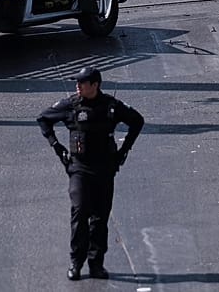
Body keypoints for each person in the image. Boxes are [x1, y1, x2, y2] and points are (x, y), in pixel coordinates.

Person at [37, 67, 144, 281]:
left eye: (82, 82)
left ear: (95, 85)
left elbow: (137, 121)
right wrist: (57, 146)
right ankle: (76, 263)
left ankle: (96, 263)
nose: (78, 85)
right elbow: (43, 119)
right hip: (79, 168)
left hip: (104, 168)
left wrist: (123, 152)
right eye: (77, 82)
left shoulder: (110, 106)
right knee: (79, 211)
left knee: (100, 217)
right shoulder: (71, 105)